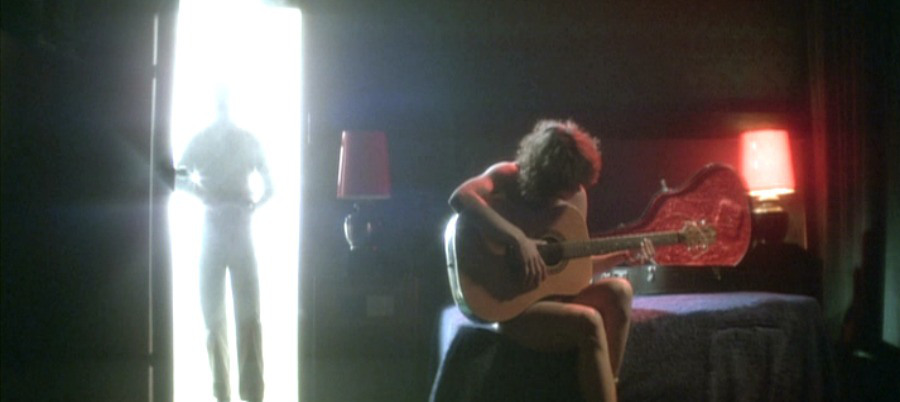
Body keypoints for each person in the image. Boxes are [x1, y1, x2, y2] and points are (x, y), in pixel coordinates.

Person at [448, 119, 648, 402]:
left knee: (620, 290)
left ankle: (607, 385)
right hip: (514, 307)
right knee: (588, 321)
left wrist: (620, 258)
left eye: (578, 184)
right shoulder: (508, 176)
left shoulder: (576, 194)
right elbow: (461, 197)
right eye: (567, 185)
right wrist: (517, 240)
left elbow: (570, 269)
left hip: (555, 300)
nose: (575, 191)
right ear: (546, 177)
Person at [176, 92, 272, 402]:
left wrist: (206, 196)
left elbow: (175, 177)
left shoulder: (206, 140)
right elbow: (270, 186)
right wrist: (249, 203)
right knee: (237, 320)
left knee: (224, 320)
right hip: (231, 231)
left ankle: (230, 395)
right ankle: (245, 395)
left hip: (221, 230)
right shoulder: (243, 140)